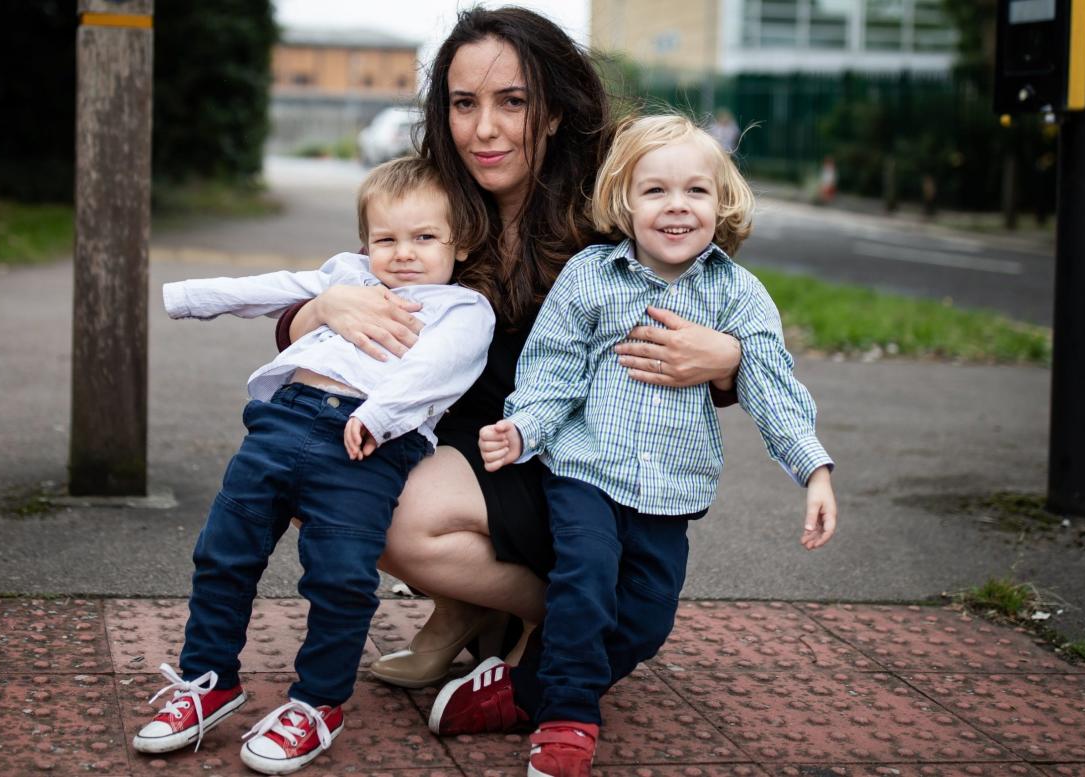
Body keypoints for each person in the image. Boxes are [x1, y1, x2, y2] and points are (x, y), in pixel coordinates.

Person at [274, 7, 744, 692]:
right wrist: (319, 308)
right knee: (306, 462)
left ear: (554, 110)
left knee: (394, 517)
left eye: (512, 102)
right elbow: (321, 311)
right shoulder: (439, 198)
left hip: (575, 467)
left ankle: (574, 615)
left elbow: (725, 314)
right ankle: (479, 604)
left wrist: (727, 359)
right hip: (475, 447)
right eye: (464, 103)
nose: (484, 128)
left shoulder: (612, 207)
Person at [428, 114, 839, 777]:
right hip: (585, 470)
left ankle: (526, 688)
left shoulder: (737, 294)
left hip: (669, 489)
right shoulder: (593, 276)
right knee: (585, 583)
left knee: (645, 620)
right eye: (655, 191)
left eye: (696, 191)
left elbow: (770, 381)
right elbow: (552, 370)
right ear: (623, 201)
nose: (677, 206)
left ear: (722, 201)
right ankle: (566, 722)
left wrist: (813, 469)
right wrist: (522, 428)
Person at [133, 156, 495, 775]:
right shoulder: (350, 276)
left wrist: (379, 416)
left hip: (367, 443)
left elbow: (436, 372)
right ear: (366, 242)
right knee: (223, 553)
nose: (404, 254)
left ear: (458, 243)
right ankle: (208, 680)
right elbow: (278, 286)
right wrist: (190, 298)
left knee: (340, 580)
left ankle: (317, 705)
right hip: (282, 422)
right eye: (387, 239)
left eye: (425, 238)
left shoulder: (463, 309)